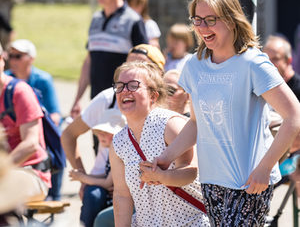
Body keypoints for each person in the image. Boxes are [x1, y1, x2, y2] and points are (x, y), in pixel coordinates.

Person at [152, 0, 300, 226]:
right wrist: (166, 157)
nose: (203, 28)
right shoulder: (194, 65)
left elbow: (294, 115)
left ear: (231, 21)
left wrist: (265, 168)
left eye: (211, 20)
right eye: (197, 20)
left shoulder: (253, 63)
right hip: (211, 180)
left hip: (250, 182)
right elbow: (197, 123)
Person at [61, 44, 165, 223]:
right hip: (107, 181)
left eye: (140, 67)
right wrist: (84, 177)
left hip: (151, 188)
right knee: (93, 198)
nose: (130, 74)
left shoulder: (167, 111)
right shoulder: (109, 98)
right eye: (128, 66)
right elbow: (68, 135)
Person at [110, 61, 210, 227]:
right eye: (120, 86)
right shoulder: (119, 142)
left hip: (190, 223)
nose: (125, 90)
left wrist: (162, 177)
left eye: (133, 85)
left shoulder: (169, 124)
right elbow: (122, 195)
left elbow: (191, 171)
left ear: (153, 96)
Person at [70, 0, 148, 119]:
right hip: (97, 102)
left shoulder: (133, 21)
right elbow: (89, 60)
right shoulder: (95, 19)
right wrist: (77, 99)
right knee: (96, 145)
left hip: (123, 106)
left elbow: (145, 65)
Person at [5, 38, 63, 201]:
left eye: (18, 56)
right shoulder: (7, 79)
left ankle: (55, 194)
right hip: (18, 141)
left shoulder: (40, 80)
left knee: (59, 136)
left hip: (37, 129)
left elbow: (55, 114)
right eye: (12, 56)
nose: (14, 60)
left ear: (31, 59)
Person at [69, 109, 126, 227]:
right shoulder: (109, 149)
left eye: (106, 132)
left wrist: (82, 177)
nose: (101, 136)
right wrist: (85, 177)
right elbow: (106, 174)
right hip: (115, 195)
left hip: (122, 198)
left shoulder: (121, 152)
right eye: (100, 132)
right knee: (91, 193)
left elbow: (107, 183)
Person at [263, 35, 300, 197]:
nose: (269, 64)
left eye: (275, 59)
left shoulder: (297, 88)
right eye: (265, 58)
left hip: (290, 159)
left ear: (289, 60)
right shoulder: (261, 86)